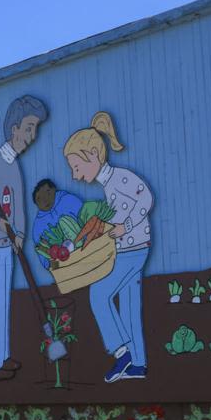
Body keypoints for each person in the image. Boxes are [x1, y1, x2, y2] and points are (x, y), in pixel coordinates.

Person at [63, 112, 153, 382]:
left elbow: (146, 198)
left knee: (99, 294)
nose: (75, 176)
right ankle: (138, 364)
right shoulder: (107, 188)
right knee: (128, 308)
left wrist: (126, 226)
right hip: (128, 249)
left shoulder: (120, 179)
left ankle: (119, 351)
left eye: (77, 168)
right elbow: (111, 219)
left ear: (93, 155)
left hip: (134, 250)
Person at [0, 95, 47, 381]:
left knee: (3, 303)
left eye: (35, 129)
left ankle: (2, 357)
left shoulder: (12, 164)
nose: (32, 135)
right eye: (28, 128)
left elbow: (18, 206)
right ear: (14, 128)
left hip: (8, 245)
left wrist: (21, 234)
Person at [30, 178, 83, 250]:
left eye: (47, 192)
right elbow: (42, 252)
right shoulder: (37, 227)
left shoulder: (69, 200)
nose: (44, 199)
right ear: (36, 204)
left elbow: (86, 218)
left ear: (54, 189)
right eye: (39, 199)